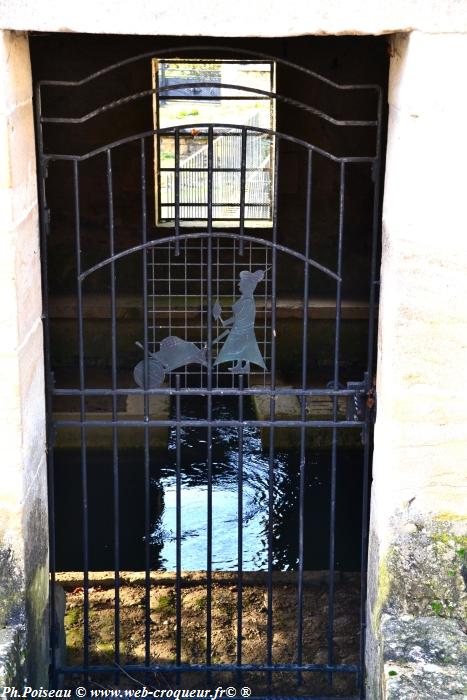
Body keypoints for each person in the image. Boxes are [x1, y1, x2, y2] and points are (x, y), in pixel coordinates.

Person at [213, 269, 267, 373]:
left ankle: (245, 366)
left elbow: (239, 317)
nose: (238, 284)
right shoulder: (244, 298)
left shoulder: (247, 301)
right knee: (241, 347)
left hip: (243, 329)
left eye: (241, 282)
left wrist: (226, 322)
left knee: (244, 347)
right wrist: (226, 322)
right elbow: (238, 316)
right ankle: (239, 365)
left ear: (247, 285)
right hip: (240, 328)